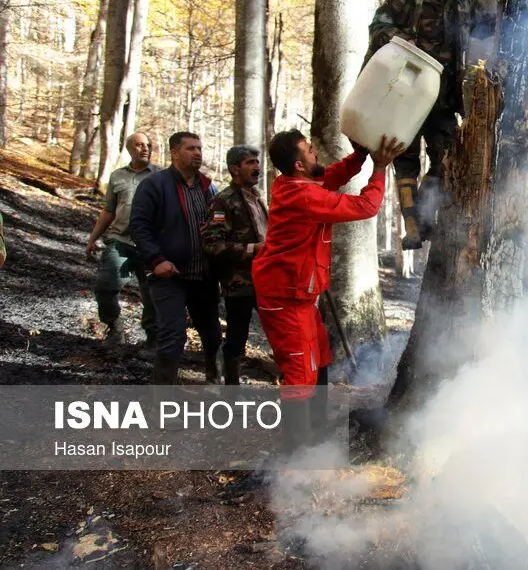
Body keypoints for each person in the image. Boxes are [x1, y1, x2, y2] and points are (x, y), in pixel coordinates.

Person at [252, 130, 405, 455]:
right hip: (283, 299)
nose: (316, 153)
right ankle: (296, 455)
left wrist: (360, 156)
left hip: (299, 298)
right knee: (300, 372)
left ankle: (317, 434)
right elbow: (366, 206)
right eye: (310, 151)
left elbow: (329, 176)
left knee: (319, 359)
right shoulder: (304, 197)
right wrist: (379, 168)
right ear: (299, 165)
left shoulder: (296, 183)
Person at [363, 0, 472, 250]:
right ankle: (412, 227)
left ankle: (424, 214)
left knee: (448, 157)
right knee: (405, 159)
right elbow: (379, 24)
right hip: (405, 91)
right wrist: (399, 38)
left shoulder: (462, 2)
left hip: (442, 96)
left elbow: (473, 37)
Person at [129, 131, 223, 385]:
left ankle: (215, 382)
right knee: (172, 335)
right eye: (191, 148)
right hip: (169, 275)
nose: (197, 153)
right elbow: (139, 226)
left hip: (202, 275)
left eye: (200, 148)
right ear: (174, 152)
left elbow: (217, 226)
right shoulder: (155, 184)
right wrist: (156, 259)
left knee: (213, 335)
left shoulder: (207, 187)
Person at [200, 145, 268, 386]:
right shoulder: (223, 201)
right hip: (239, 283)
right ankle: (231, 388)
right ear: (234, 169)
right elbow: (212, 244)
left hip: (266, 279)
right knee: (237, 336)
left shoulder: (258, 198)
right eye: (250, 163)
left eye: (257, 162)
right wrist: (252, 250)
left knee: (279, 331)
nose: (257, 167)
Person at [85, 132, 160, 351]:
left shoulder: (162, 176)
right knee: (106, 287)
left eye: (148, 144)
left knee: (153, 296)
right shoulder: (117, 176)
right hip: (120, 241)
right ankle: (115, 329)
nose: (145, 148)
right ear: (129, 149)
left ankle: (153, 339)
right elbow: (109, 210)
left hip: (151, 245)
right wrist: (92, 239)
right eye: (139, 145)